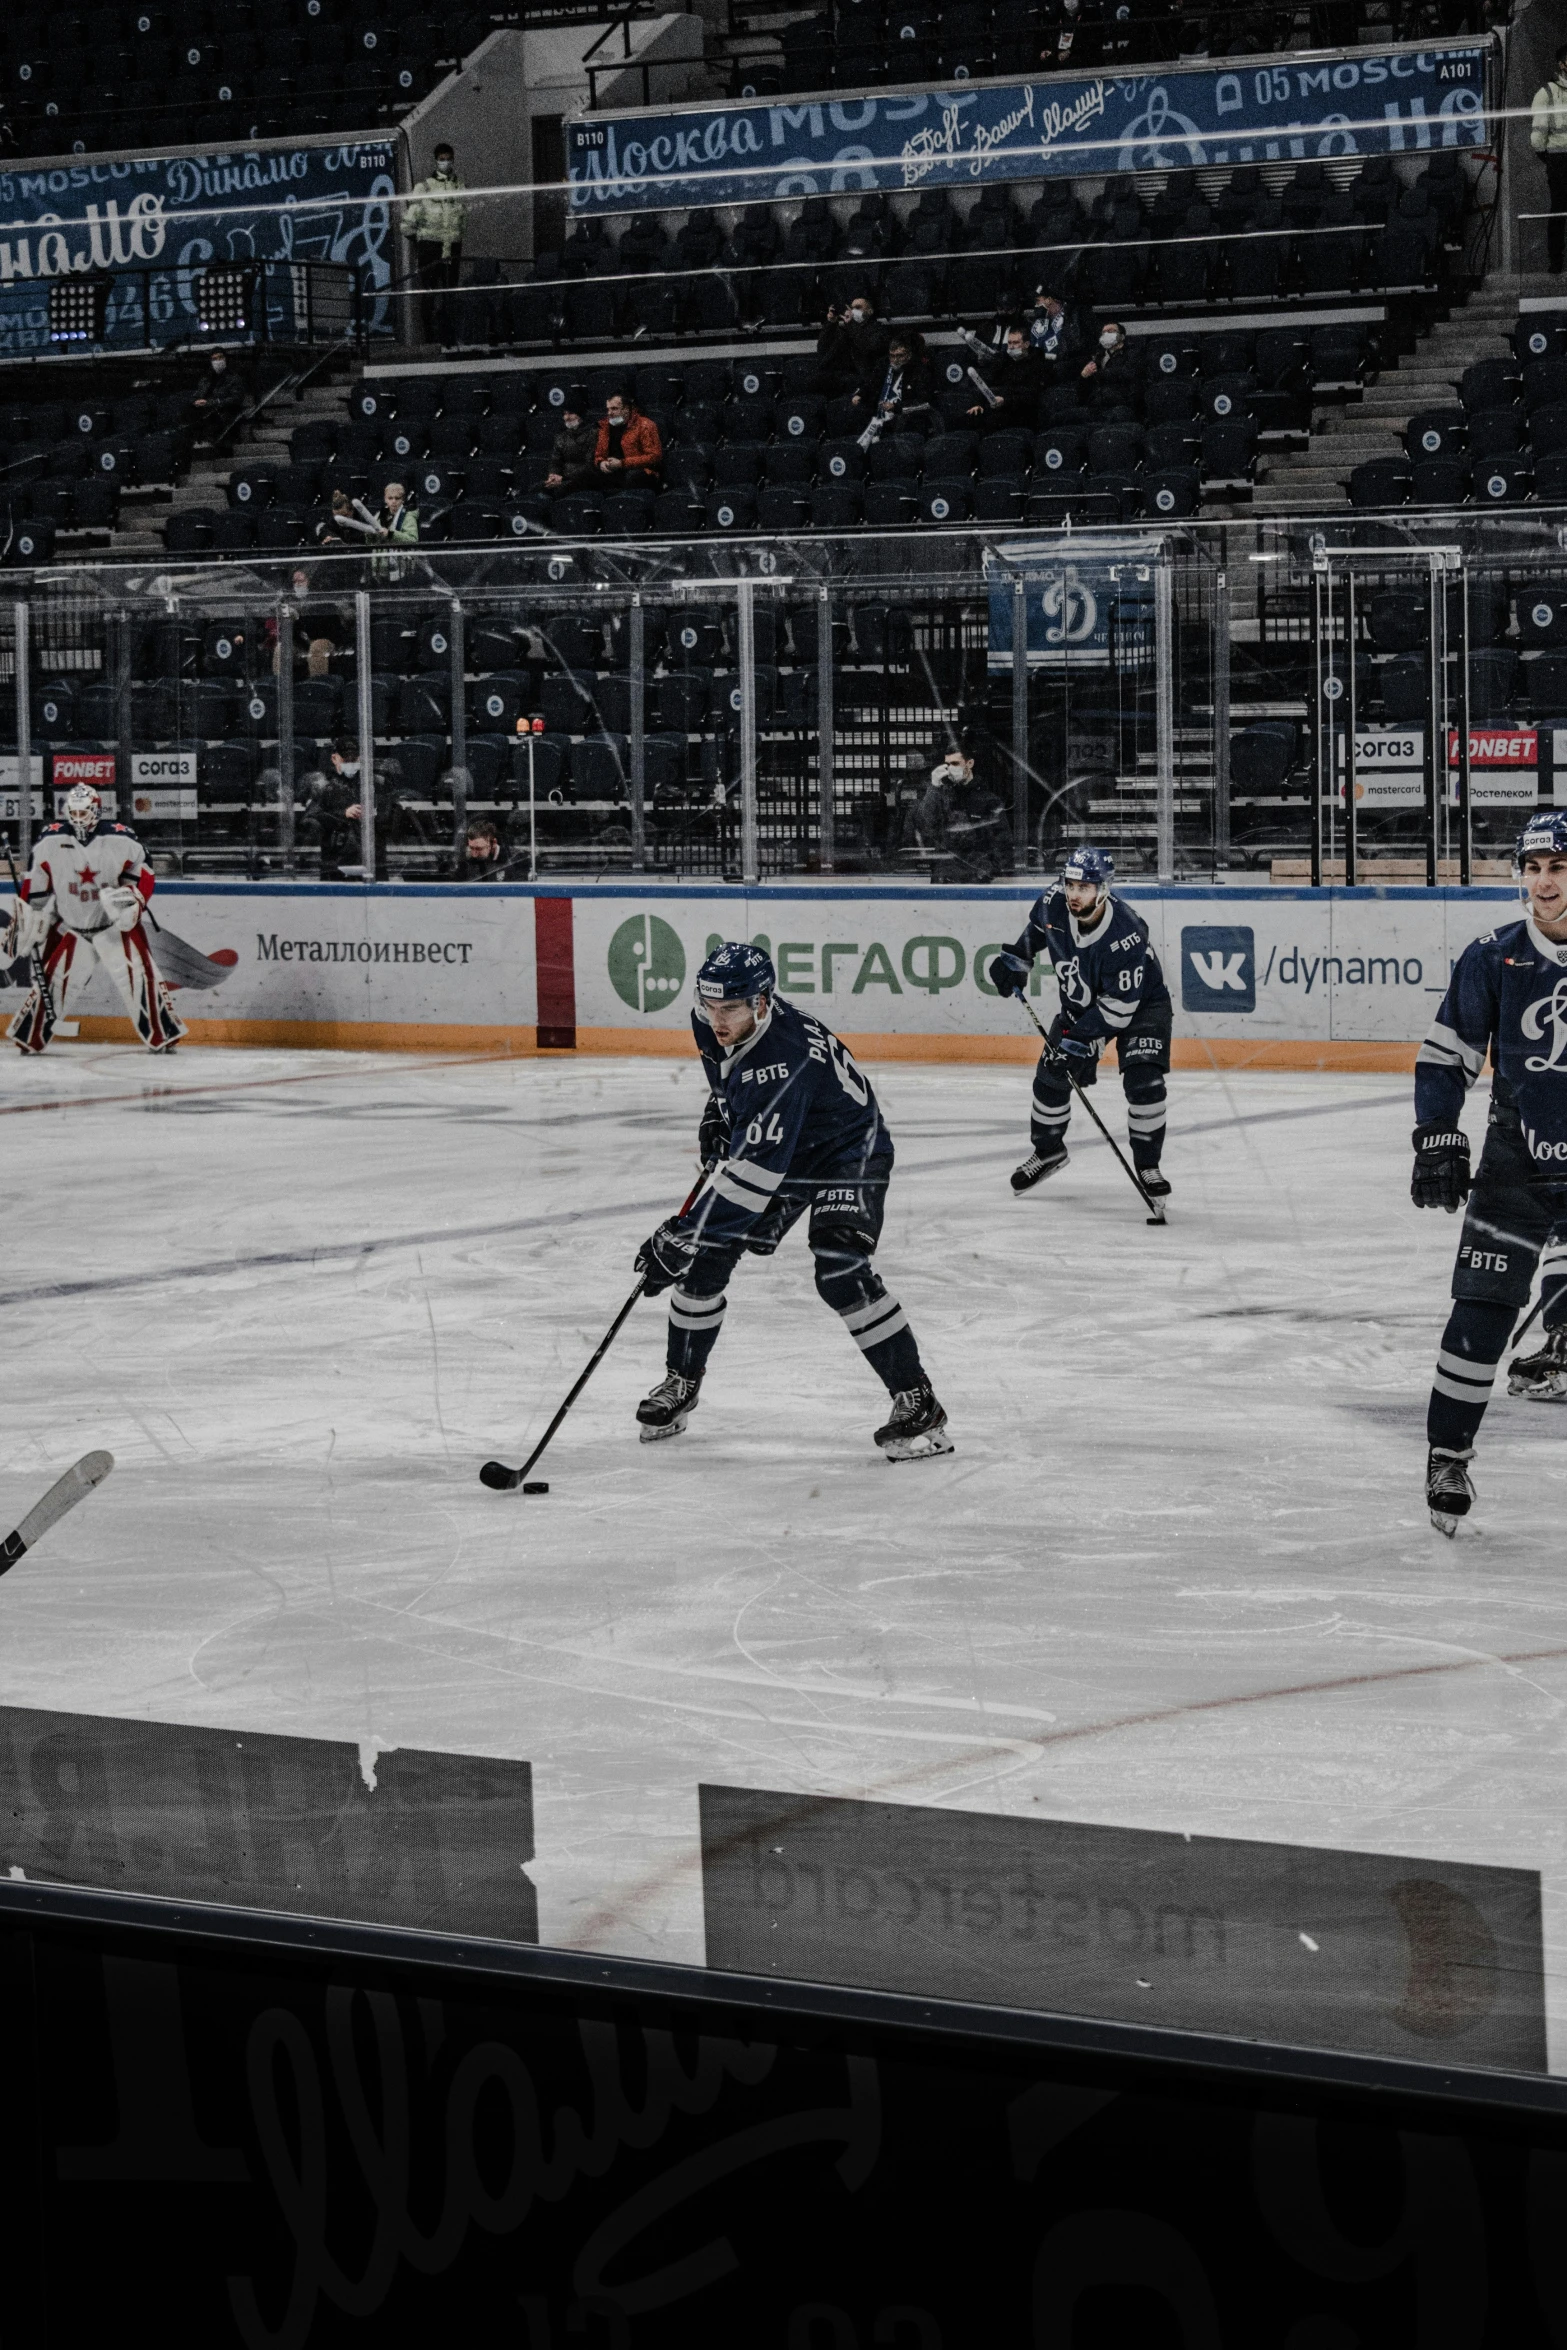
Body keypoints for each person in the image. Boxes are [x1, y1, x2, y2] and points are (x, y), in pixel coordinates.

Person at [631, 942, 952, 1461]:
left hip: (850, 1150)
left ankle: (917, 1399)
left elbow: (752, 1179)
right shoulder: (712, 1017)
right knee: (707, 1260)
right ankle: (680, 1382)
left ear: (762, 1002)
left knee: (840, 1267)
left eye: (730, 1009)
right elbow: (727, 1080)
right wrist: (720, 1109)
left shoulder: (781, 1061)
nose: (717, 1019)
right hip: (788, 1144)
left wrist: (682, 1232)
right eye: (710, 1006)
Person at [1411, 813, 1567, 1534]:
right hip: (1516, 1159)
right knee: (1479, 1308)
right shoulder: (1493, 955)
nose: (1543, 881)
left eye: (1557, 865)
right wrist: (1437, 1134)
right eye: (1533, 866)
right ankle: (1447, 1452)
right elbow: (1445, 1055)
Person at [989, 845, 1173, 1198]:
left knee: (1144, 1082)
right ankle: (1048, 1152)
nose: (1074, 894)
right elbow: (1038, 930)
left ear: (1104, 889)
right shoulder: (1053, 901)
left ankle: (1149, 1166)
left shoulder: (1127, 931)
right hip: (1083, 1004)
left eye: (1084, 887)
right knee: (1050, 1080)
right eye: (1071, 885)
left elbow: (1119, 1009)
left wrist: (1079, 1042)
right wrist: (1017, 960)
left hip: (1141, 1005)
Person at [6, 784, 186, 1055]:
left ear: (97, 810)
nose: (78, 817)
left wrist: (134, 900)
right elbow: (37, 889)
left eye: (84, 811)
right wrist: (31, 917)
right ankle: (30, 1036)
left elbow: (144, 872)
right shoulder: (49, 842)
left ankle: (163, 1035)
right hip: (74, 928)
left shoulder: (121, 838)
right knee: (55, 982)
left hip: (115, 928)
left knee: (141, 978)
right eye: (74, 811)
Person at [912, 741, 1013, 881]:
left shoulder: (989, 800)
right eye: (947, 765)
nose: (950, 769)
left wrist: (987, 873)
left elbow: (1003, 844)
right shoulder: (940, 796)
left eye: (955, 764)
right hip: (944, 877)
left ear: (969, 763)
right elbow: (924, 824)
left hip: (976, 879)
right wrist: (934, 787)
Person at [402, 141, 467, 343]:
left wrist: (456, 238)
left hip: (452, 246)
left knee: (450, 293)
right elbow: (407, 224)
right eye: (442, 159)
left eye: (448, 159)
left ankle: (448, 338)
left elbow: (462, 218)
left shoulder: (459, 185)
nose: (445, 163)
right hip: (430, 246)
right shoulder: (424, 187)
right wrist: (421, 241)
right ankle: (429, 339)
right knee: (429, 294)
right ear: (436, 160)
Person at [967, 325, 1046, 434]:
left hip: (1023, 413)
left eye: (1016, 343)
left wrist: (1006, 401)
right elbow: (987, 381)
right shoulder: (1003, 360)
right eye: (1009, 343)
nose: (1011, 347)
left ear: (1026, 344)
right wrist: (978, 403)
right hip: (1000, 407)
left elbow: (1031, 396)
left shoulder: (1037, 364)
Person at [853, 333, 935, 431]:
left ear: (909, 355)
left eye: (900, 356)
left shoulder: (920, 370)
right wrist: (860, 394)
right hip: (881, 416)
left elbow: (924, 402)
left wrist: (896, 407)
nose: (895, 360)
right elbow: (871, 383)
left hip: (907, 418)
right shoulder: (883, 365)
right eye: (892, 356)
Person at [815, 294, 891, 399]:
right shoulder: (846, 330)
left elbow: (868, 349)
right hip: (844, 379)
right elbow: (823, 350)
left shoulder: (879, 330)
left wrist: (851, 324)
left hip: (866, 381)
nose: (853, 310)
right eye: (852, 307)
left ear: (870, 311)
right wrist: (831, 323)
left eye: (858, 307)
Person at [1533, 47, 1567, 276]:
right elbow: (1538, 131)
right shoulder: (1547, 92)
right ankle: (1555, 260)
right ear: (1561, 64)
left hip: (1557, 158)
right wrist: (1547, 155)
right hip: (1559, 159)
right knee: (1559, 210)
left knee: (1559, 209)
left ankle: (1556, 261)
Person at [590, 390, 662, 490]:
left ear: (627, 409)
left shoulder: (645, 425)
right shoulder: (605, 426)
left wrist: (622, 463)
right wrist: (601, 462)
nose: (609, 413)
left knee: (632, 477)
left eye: (614, 409)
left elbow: (654, 457)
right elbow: (599, 454)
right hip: (614, 470)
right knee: (589, 476)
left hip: (640, 471)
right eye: (608, 409)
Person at [188, 349, 246, 445]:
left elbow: (236, 398)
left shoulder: (234, 378)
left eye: (220, 357)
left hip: (223, 413)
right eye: (214, 359)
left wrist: (212, 403)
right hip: (204, 412)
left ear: (226, 359)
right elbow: (196, 395)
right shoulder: (205, 379)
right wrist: (195, 402)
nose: (218, 361)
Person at [545, 401, 599, 493]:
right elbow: (555, 461)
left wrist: (563, 478)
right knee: (538, 488)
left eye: (571, 413)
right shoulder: (561, 436)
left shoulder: (594, 434)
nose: (566, 417)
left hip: (585, 479)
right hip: (563, 478)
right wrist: (553, 475)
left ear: (580, 416)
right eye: (565, 414)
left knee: (561, 490)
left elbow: (590, 465)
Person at [443, 819, 512, 881]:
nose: (474, 854)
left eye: (479, 849)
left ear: (493, 843)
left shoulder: (513, 861)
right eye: (471, 848)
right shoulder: (465, 864)